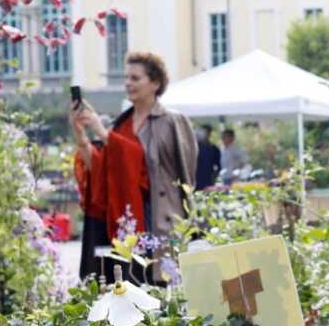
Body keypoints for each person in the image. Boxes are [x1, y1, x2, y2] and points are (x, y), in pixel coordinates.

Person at [71, 51, 198, 280]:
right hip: (128, 219)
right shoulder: (121, 125)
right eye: (126, 78)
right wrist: (81, 134)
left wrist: (103, 133)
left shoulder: (172, 121)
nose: (128, 83)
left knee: (163, 289)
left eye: (136, 78)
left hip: (160, 219)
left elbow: (184, 173)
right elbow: (102, 170)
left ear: (155, 83)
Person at [195, 124, 222, 191]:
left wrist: (214, 177)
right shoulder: (194, 148)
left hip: (208, 181)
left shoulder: (214, 149)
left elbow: (218, 166)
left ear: (209, 134)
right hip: (195, 181)